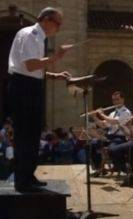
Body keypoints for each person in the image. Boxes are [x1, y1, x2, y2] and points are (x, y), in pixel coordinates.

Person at [8, 7, 71, 192]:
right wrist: (56, 57)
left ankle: (28, 174)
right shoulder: (31, 34)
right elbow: (30, 65)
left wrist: (54, 75)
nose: (58, 29)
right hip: (24, 87)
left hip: (30, 85)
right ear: (47, 20)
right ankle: (23, 180)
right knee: (25, 134)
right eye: (58, 24)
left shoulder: (37, 36)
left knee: (33, 132)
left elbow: (34, 69)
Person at [89, 91, 131, 175]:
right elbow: (103, 125)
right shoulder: (112, 113)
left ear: (123, 99)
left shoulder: (126, 112)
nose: (115, 102)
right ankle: (99, 168)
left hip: (120, 138)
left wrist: (101, 114)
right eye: (114, 100)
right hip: (110, 137)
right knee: (92, 144)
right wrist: (94, 117)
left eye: (117, 99)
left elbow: (114, 121)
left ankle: (124, 169)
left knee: (112, 149)